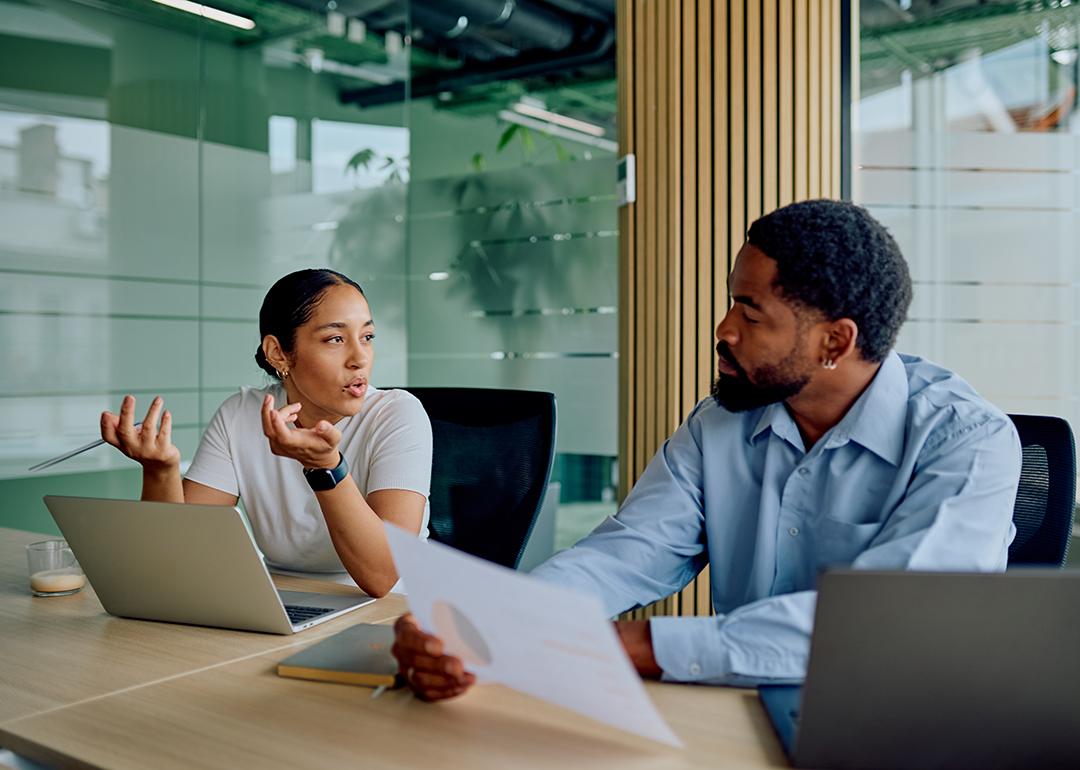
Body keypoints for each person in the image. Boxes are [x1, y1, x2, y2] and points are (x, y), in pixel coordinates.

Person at [391, 199, 1022, 699]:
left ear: (835, 341)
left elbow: (888, 626)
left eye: (750, 312)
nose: (723, 331)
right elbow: (624, 554)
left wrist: (621, 647)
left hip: (897, 717)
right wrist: (489, 620)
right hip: (735, 702)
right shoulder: (722, 422)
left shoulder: (968, 441)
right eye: (730, 303)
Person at [100, 269, 432, 597]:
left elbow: (382, 577)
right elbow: (174, 560)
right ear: (278, 353)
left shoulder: (398, 414)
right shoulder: (240, 414)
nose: (360, 358)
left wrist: (326, 467)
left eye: (367, 337)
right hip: (278, 600)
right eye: (335, 339)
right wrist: (160, 473)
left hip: (395, 612)